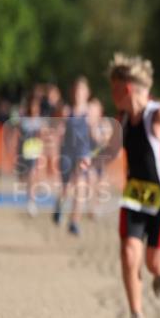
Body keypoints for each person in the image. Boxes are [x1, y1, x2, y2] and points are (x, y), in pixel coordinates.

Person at [84, 53, 160, 318]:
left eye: (113, 90)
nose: (111, 97)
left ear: (126, 89)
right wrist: (92, 160)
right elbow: (111, 149)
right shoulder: (124, 119)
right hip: (136, 194)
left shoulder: (159, 116)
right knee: (127, 253)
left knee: (154, 263)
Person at [53, 77, 94, 235]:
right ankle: (59, 206)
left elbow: (94, 133)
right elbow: (58, 129)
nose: (78, 93)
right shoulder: (66, 110)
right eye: (76, 90)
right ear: (72, 92)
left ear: (87, 93)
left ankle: (74, 222)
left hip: (82, 154)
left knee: (81, 186)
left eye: (82, 90)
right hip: (66, 153)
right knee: (66, 188)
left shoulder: (90, 111)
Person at [16, 94, 47, 216]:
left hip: (35, 150)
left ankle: (31, 202)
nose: (34, 108)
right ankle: (30, 197)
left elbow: (43, 136)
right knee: (24, 177)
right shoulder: (23, 119)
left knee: (33, 174)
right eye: (32, 106)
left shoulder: (40, 120)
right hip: (24, 151)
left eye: (36, 106)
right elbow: (19, 136)